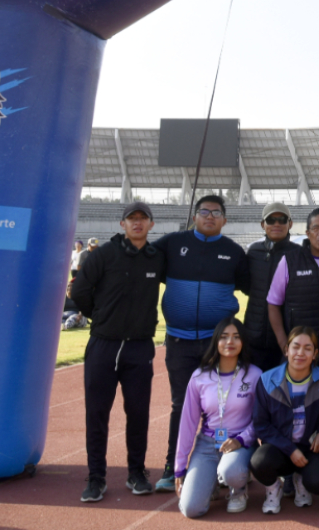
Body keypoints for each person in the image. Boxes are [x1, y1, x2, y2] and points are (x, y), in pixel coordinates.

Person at [152, 195, 250, 492]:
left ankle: (224, 467)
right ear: (194, 216)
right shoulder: (171, 243)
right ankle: (173, 465)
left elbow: (254, 290)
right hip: (179, 341)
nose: (210, 217)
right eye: (204, 212)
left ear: (224, 220)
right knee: (181, 405)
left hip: (217, 344)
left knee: (222, 406)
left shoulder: (234, 252)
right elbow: (139, 260)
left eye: (216, 213)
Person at [70, 201, 165, 503]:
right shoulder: (104, 255)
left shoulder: (156, 258)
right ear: (122, 224)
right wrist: (99, 317)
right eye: (131, 219)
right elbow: (79, 291)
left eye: (143, 219)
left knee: (138, 414)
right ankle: (96, 477)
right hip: (103, 345)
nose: (137, 223)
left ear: (151, 224)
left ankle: (137, 473)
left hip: (140, 347)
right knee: (97, 414)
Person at [174, 317, 262, 517]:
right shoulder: (200, 377)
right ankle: (211, 480)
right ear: (216, 342)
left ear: (243, 342)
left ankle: (238, 489)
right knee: (191, 509)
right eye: (224, 337)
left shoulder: (254, 375)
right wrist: (179, 468)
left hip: (241, 443)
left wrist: (241, 440)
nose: (229, 342)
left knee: (230, 471)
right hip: (207, 445)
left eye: (236, 337)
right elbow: (188, 424)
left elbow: (261, 419)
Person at [251, 326, 319, 514]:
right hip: (280, 447)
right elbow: (261, 425)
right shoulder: (267, 380)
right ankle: (274, 488)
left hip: (309, 449)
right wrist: (290, 449)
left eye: (307, 348)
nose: (300, 353)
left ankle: (299, 479)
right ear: (286, 350)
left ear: (315, 353)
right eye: (295, 347)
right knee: (259, 462)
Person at [267, 207, 319, 375]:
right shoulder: (290, 260)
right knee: (300, 398)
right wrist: (283, 341)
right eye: (316, 228)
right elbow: (273, 304)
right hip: (301, 349)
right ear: (307, 232)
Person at [245, 202, 299, 372]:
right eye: (271, 220)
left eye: (282, 220)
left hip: (285, 340)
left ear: (290, 224)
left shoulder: (299, 254)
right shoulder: (253, 252)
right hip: (253, 339)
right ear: (263, 224)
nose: (276, 224)